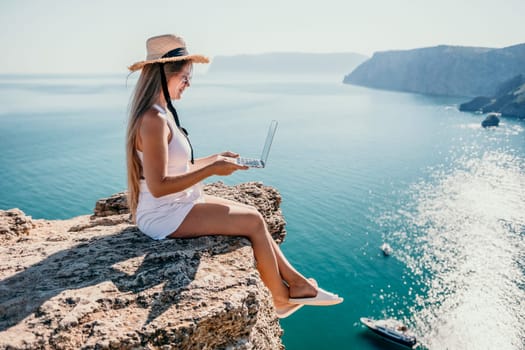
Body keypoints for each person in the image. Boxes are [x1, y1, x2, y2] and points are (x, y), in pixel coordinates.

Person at [126, 34, 343, 318]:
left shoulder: (162, 113)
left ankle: (298, 283)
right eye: (185, 77)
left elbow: (177, 165)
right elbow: (158, 186)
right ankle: (280, 298)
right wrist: (212, 170)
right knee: (251, 221)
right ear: (165, 76)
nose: (189, 83)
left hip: (178, 204)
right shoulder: (154, 119)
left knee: (253, 212)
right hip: (163, 214)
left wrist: (216, 158)